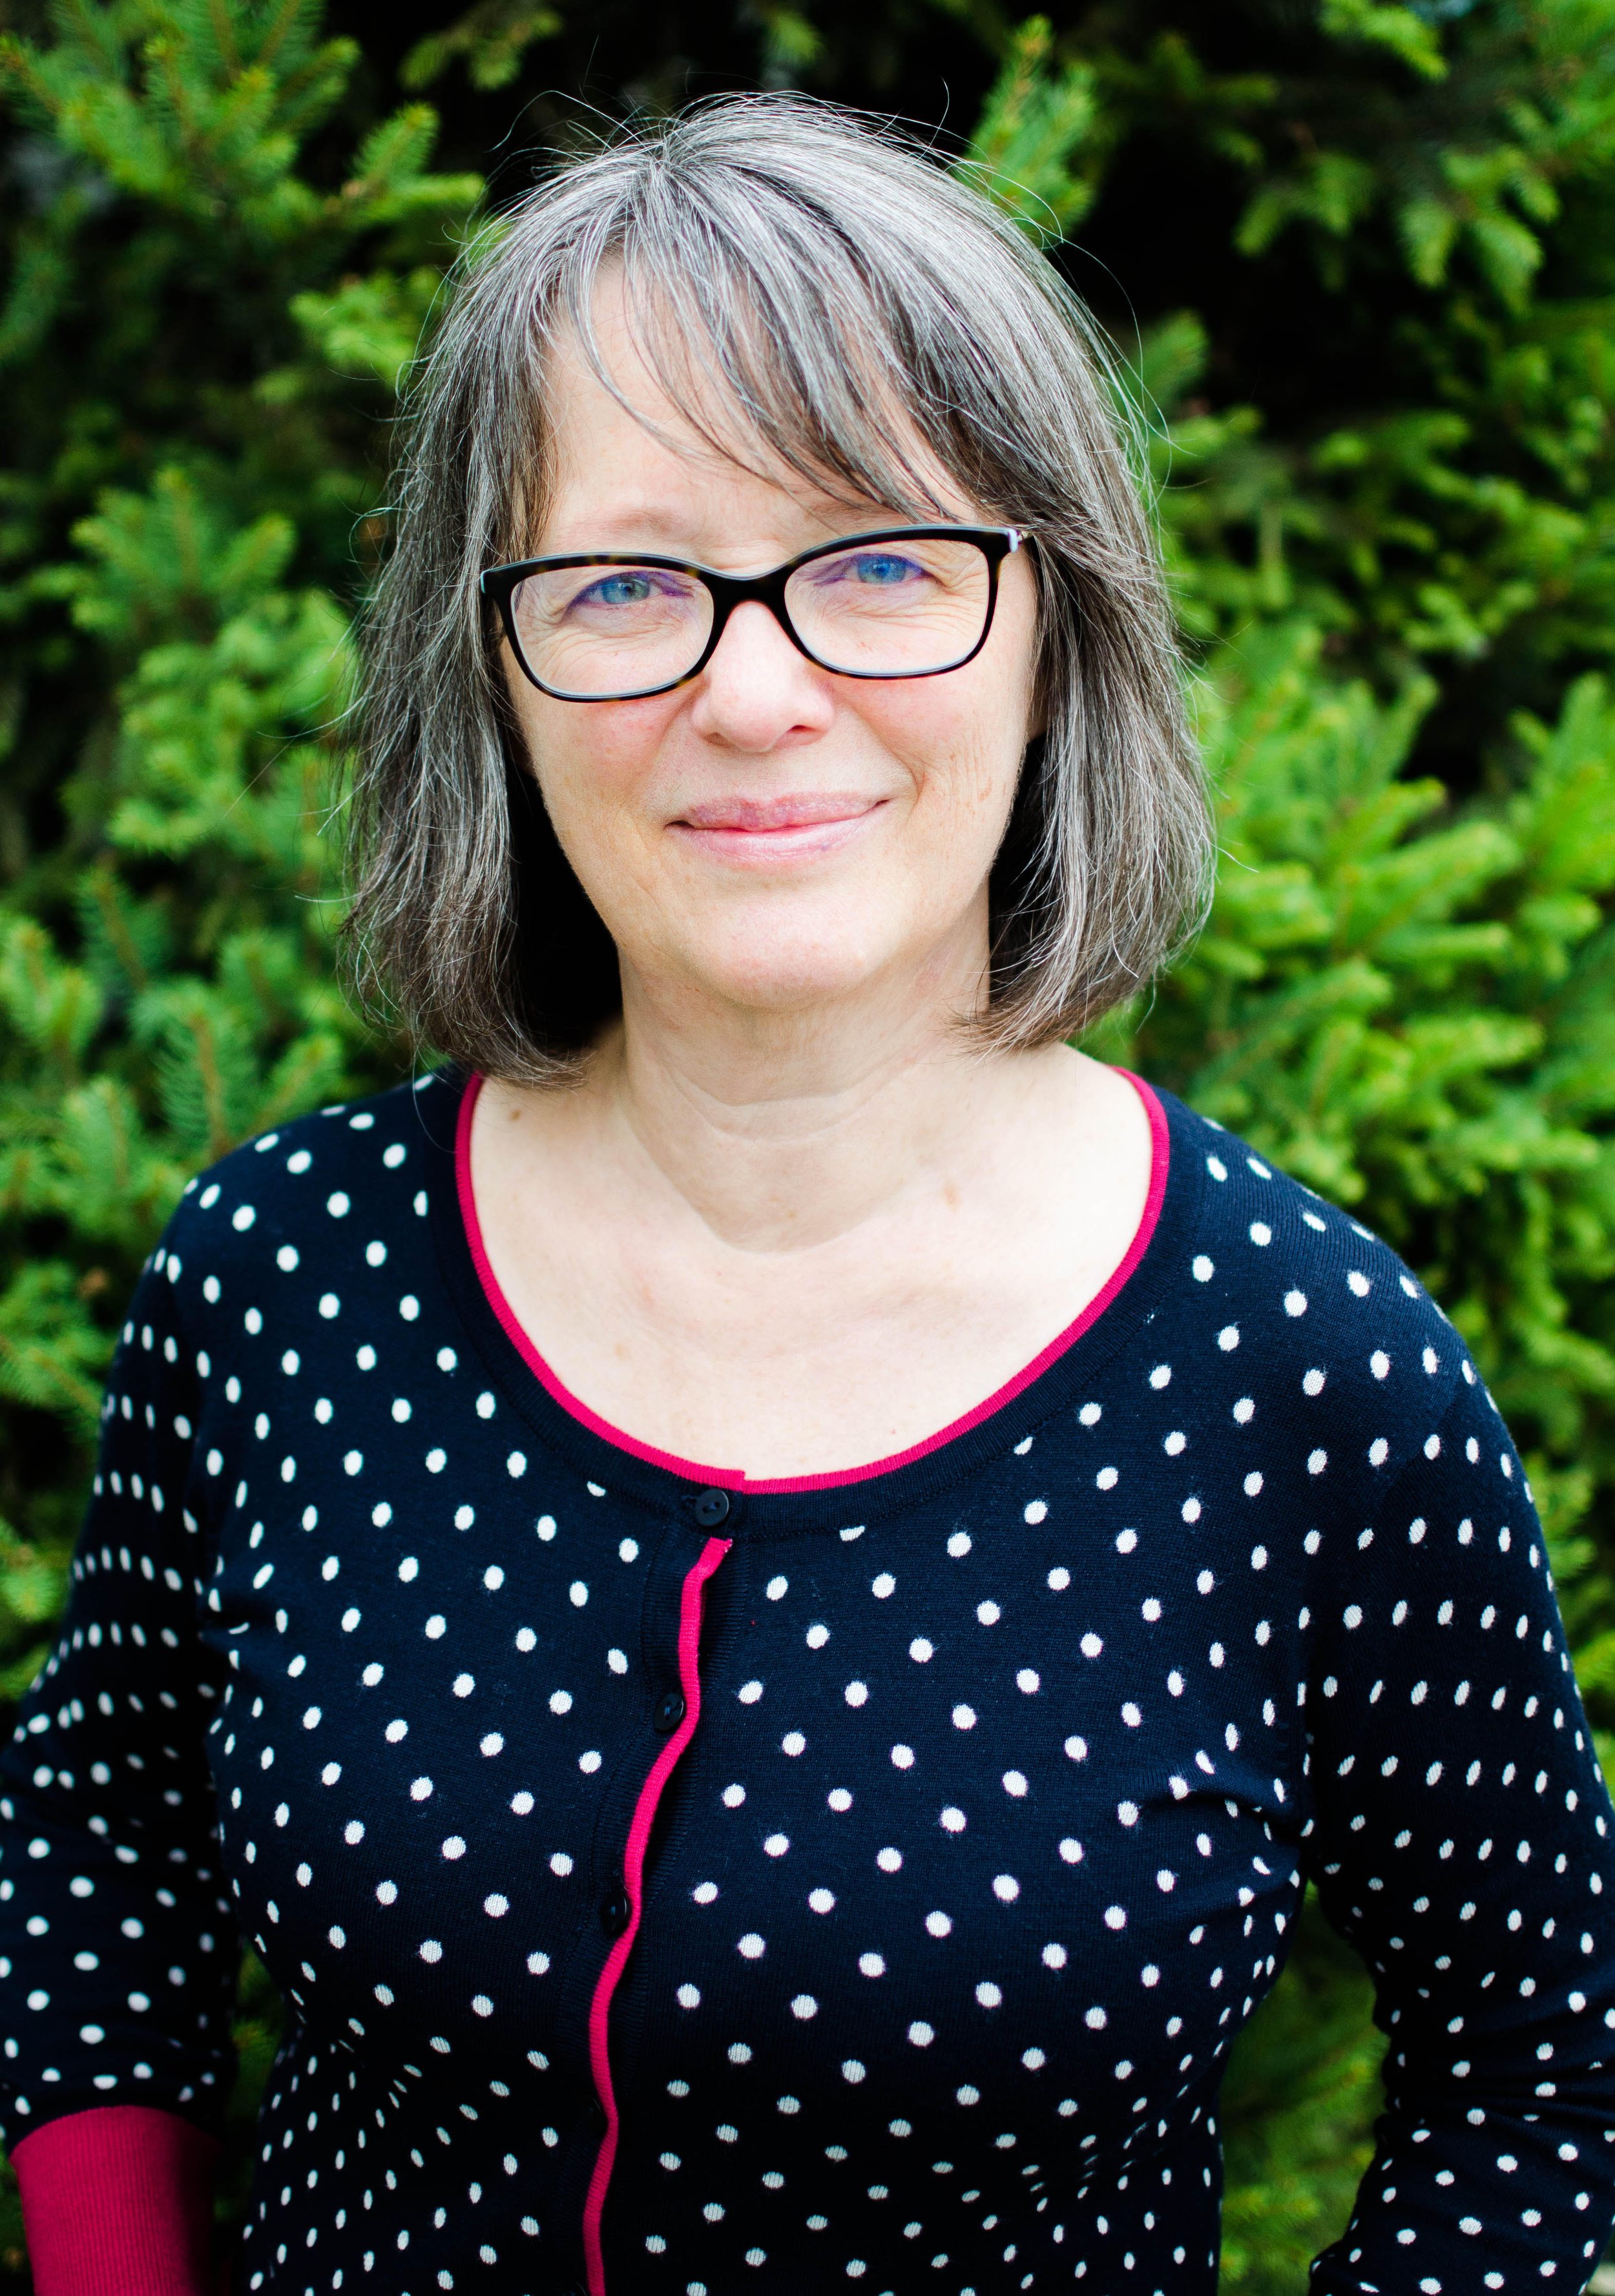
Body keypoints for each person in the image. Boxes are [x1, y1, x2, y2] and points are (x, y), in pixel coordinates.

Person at [2, 94, 1612, 2296]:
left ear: (1054, 626)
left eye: (879, 563)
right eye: (625, 583)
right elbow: (97, 1846)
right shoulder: (285, 1275)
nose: (753, 693)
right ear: (493, 662)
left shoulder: (1301, 1372)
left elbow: (1541, 2066)